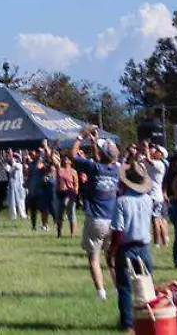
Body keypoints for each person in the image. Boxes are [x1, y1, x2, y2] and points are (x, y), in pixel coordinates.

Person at [70, 128, 122, 301]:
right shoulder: (117, 170)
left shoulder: (93, 168)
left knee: (94, 257)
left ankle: (101, 293)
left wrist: (81, 136)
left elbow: (73, 155)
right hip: (113, 220)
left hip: (95, 219)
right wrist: (95, 143)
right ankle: (118, 289)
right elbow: (103, 159)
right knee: (111, 258)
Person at [107, 162, 157, 333]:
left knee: (125, 288)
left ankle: (128, 324)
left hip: (126, 248)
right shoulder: (148, 200)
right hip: (144, 247)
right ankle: (151, 320)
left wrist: (112, 252)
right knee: (147, 287)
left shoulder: (121, 201)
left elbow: (118, 231)